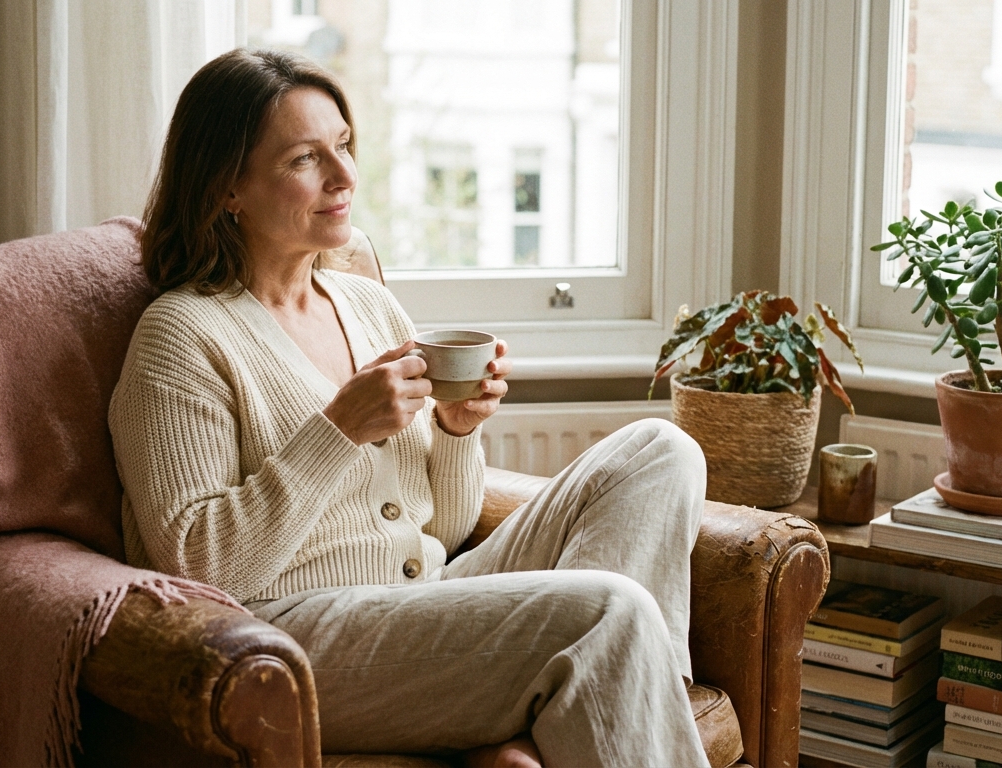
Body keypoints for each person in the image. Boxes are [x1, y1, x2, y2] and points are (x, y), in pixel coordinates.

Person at [109, 48, 711, 768]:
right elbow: (204, 569)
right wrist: (338, 432)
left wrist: (457, 433)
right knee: (610, 612)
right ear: (226, 189)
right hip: (294, 641)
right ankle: (598, 709)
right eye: (306, 158)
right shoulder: (181, 335)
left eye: (344, 146)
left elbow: (444, 528)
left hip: (427, 597)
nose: (343, 178)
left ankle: (591, 713)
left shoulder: (367, 304)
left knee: (659, 450)